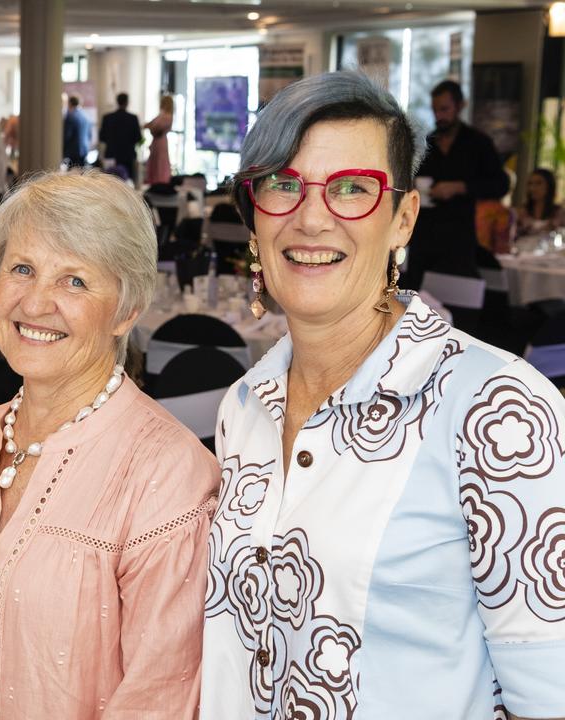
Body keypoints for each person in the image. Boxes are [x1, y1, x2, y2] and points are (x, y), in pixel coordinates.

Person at [204, 70, 565, 718]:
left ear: (402, 218)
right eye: (283, 186)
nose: (311, 218)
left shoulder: (496, 409)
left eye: (350, 189)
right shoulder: (244, 405)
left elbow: (551, 692)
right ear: (254, 219)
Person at [0, 170, 217, 718]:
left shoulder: (169, 474)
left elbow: (159, 697)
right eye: (21, 269)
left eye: (75, 282)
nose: (35, 303)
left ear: (127, 311)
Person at [404, 79, 509, 288]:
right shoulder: (427, 144)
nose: (438, 116)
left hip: (458, 239)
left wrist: (461, 187)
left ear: (460, 106)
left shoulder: (478, 143)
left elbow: (501, 185)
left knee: (456, 303)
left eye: (444, 109)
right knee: (415, 298)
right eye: (435, 110)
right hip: (422, 237)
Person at [99, 92, 142, 182]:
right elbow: (138, 138)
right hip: (127, 156)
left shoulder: (107, 118)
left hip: (111, 155)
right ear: (127, 102)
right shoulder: (133, 118)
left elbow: (102, 137)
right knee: (127, 184)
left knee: (110, 183)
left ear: (117, 102)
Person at [515, 167, 565, 237]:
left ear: (549, 186)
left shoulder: (560, 213)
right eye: (530, 184)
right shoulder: (521, 212)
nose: (533, 188)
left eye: (539, 183)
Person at [144, 95, 175, 185]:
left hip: (160, 141)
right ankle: (154, 181)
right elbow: (149, 125)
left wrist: (151, 127)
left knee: (160, 163)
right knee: (155, 162)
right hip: (157, 141)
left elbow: (155, 128)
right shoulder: (162, 115)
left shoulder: (167, 116)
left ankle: (159, 181)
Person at [63, 95, 91, 168]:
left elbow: (67, 136)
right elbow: (89, 135)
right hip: (85, 149)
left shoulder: (70, 116)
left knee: (72, 176)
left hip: (73, 151)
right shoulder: (86, 115)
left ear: (70, 103)